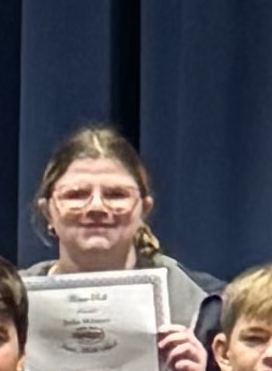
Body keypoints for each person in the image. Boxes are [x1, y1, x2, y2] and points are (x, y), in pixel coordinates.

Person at [29, 123, 214, 331]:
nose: (96, 207)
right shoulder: (10, 299)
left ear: (144, 210)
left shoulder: (207, 307)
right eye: (76, 195)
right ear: (47, 213)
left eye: (116, 195)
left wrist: (203, 363)